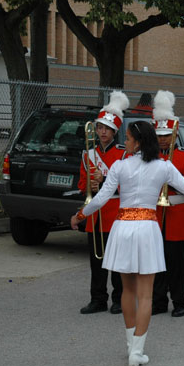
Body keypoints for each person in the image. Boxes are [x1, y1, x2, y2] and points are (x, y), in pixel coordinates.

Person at [71, 117, 184, 366]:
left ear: (138, 142)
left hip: (122, 227)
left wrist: (79, 215)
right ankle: (136, 351)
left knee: (127, 291)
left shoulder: (121, 166)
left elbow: (100, 199)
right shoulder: (164, 166)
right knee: (146, 294)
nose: (125, 142)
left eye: (128, 138)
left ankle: (132, 345)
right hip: (147, 228)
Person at [152, 91, 184, 317]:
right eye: (159, 135)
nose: (162, 139)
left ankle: (180, 301)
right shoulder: (148, 157)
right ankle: (158, 301)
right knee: (156, 261)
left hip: (178, 213)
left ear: (175, 133)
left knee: (177, 263)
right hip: (155, 213)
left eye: (166, 135)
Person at [78, 92, 126, 315]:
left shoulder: (124, 155)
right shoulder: (88, 155)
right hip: (96, 212)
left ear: (115, 131)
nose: (103, 132)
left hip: (116, 212)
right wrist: (90, 186)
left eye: (107, 128)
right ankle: (97, 299)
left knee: (116, 261)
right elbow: (81, 183)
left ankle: (119, 299)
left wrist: (105, 181)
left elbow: (129, 185)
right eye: (100, 128)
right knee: (96, 262)